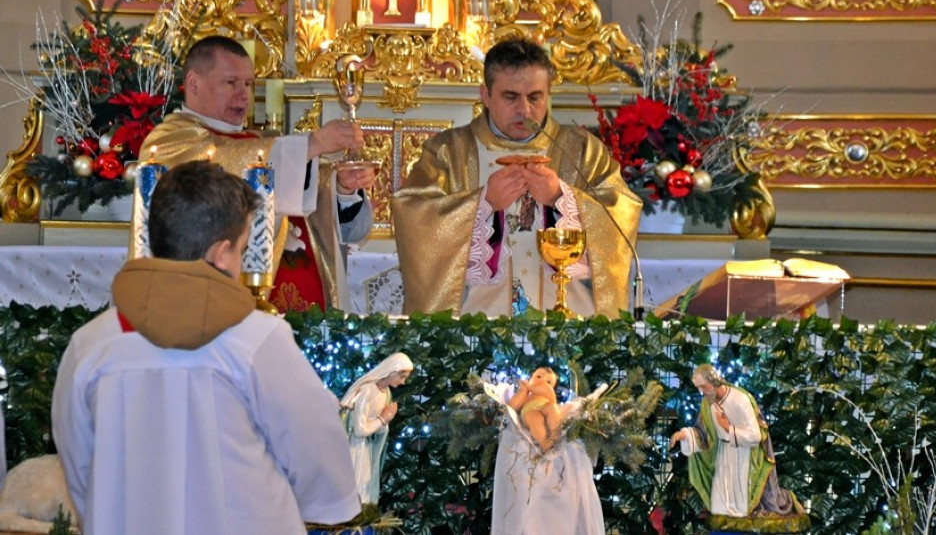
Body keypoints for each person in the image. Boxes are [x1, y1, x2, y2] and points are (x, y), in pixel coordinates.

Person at [51, 160, 362, 534]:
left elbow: (79, 465)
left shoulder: (93, 343)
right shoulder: (257, 338)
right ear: (220, 252)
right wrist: (325, 503)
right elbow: (316, 448)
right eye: (242, 249)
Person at [392, 37, 642, 317]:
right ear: (485, 95)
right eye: (510, 97)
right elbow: (414, 216)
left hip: (568, 321)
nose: (524, 109)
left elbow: (622, 211)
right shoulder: (448, 151)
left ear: (548, 95)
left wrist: (561, 197)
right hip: (474, 324)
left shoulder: (582, 150)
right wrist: (483, 204)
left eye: (535, 97)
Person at [140, 35, 375, 313]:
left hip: (307, 318)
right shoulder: (170, 140)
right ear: (194, 83)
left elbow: (300, 193)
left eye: (249, 84)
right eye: (231, 83)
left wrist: (341, 190)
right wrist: (313, 145)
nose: (244, 94)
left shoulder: (260, 142)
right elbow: (220, 167)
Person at [669, 364, 808, 526]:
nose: (702, 392)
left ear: (713, 382)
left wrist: (729, 428)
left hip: (744, 458)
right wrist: (683, 435)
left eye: (703, 387)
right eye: (698, 388)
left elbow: (755, 436)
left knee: (739, 509)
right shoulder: (708, 403)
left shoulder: (740, 400)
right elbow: (702, 433)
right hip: (723, 456)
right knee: (719, 506)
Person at [491, 366, 604, 535]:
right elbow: (513, 406)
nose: (543, 381)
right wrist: (524, 390)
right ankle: (545, 442)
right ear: (530, 377)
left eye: (549, 381)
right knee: (535, 420)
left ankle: (554, 437)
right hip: (530, 413)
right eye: (538, 376)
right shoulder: (526, 396)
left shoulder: (550, 400)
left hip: (548, 410)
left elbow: (557, 409)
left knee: (553, 415)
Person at [339, 352, 414, 505]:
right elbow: (359, 430)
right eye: (402, 376)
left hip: (367, 448)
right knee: (356, 489)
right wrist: (382, 419)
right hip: (355, 448)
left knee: (365, 492)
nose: (403, 382)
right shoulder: (366, 391)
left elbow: (378, 430)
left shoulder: (385, 393)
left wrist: (385, 421)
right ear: (392, 371)